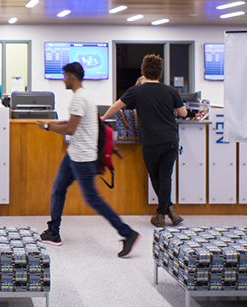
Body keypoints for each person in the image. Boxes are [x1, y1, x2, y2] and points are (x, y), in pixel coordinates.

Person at [37, 62, 139, 258]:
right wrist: (53, 122)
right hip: (75, 154)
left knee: (92, 198)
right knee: (58, 189)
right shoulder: (86, 96)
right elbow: (75, 123)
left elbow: (70, 129)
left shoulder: (78, 99)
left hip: (82, 158)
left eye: (64, 76)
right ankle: (53, 232)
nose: (63, 80)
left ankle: (127, 232)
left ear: (72, 76)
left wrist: (47, 127)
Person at [102, 54, 187, 227]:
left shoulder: (136, 90)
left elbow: (116, 106)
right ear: (160, 72)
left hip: (151, 141)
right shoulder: (171, 90)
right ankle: (168, 210)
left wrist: (103, 117)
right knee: (165, 177)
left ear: (144, 71)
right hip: (171, 139)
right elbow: (184, 113)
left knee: (155, 176)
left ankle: (162, 213)